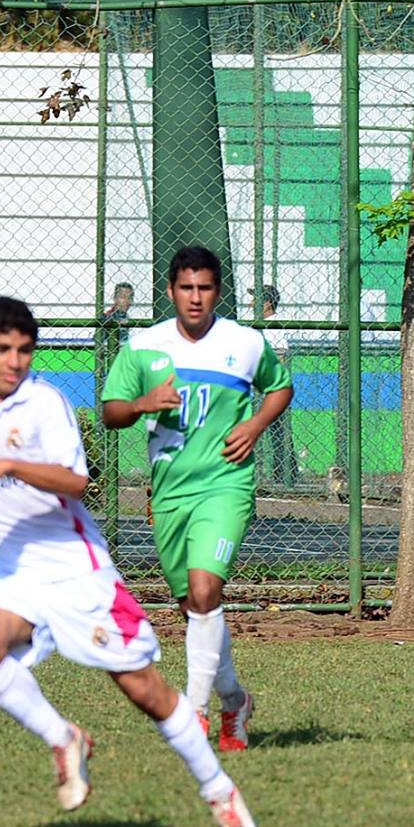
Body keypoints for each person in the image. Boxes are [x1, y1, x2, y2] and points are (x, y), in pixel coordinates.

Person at [0, 296, 255, 827]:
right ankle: (64, 738)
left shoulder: (45, 403)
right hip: (7, 569)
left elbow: (76, 482)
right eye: (3, 350)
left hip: (75, 570)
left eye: (25, 350)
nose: (15, 362)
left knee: (144, 691)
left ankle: (219, 792)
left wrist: (8, 465)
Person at [100, 246, 293, 753]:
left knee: (206, 592)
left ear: (217, 292)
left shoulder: (245, 343)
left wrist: (255, 425)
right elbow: (111, 412)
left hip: (226, 484)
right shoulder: (144, 346)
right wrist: (143, 404)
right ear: (170, 291)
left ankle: (195, 710)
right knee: (193, 608)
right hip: (169, 493)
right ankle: (235, 702)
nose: (195, 297)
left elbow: (280, 388)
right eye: (186, 288)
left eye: (204, 288)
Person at [257, 285, 297, 488]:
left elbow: (281, 357)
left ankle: (286, 474)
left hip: (271, 386)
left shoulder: (274, 326)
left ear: (267, 303)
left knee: (278, 430)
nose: (251, 303)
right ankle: (283, 473)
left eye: (256, 299)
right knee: (275, 431)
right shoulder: (260, 325)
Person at [94, 281, 134, 373]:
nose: (127, 301)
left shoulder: (128, 318)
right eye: (123, 297)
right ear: (115, 298)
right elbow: (99, 340)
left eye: (130, 298)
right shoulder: (108, 318)